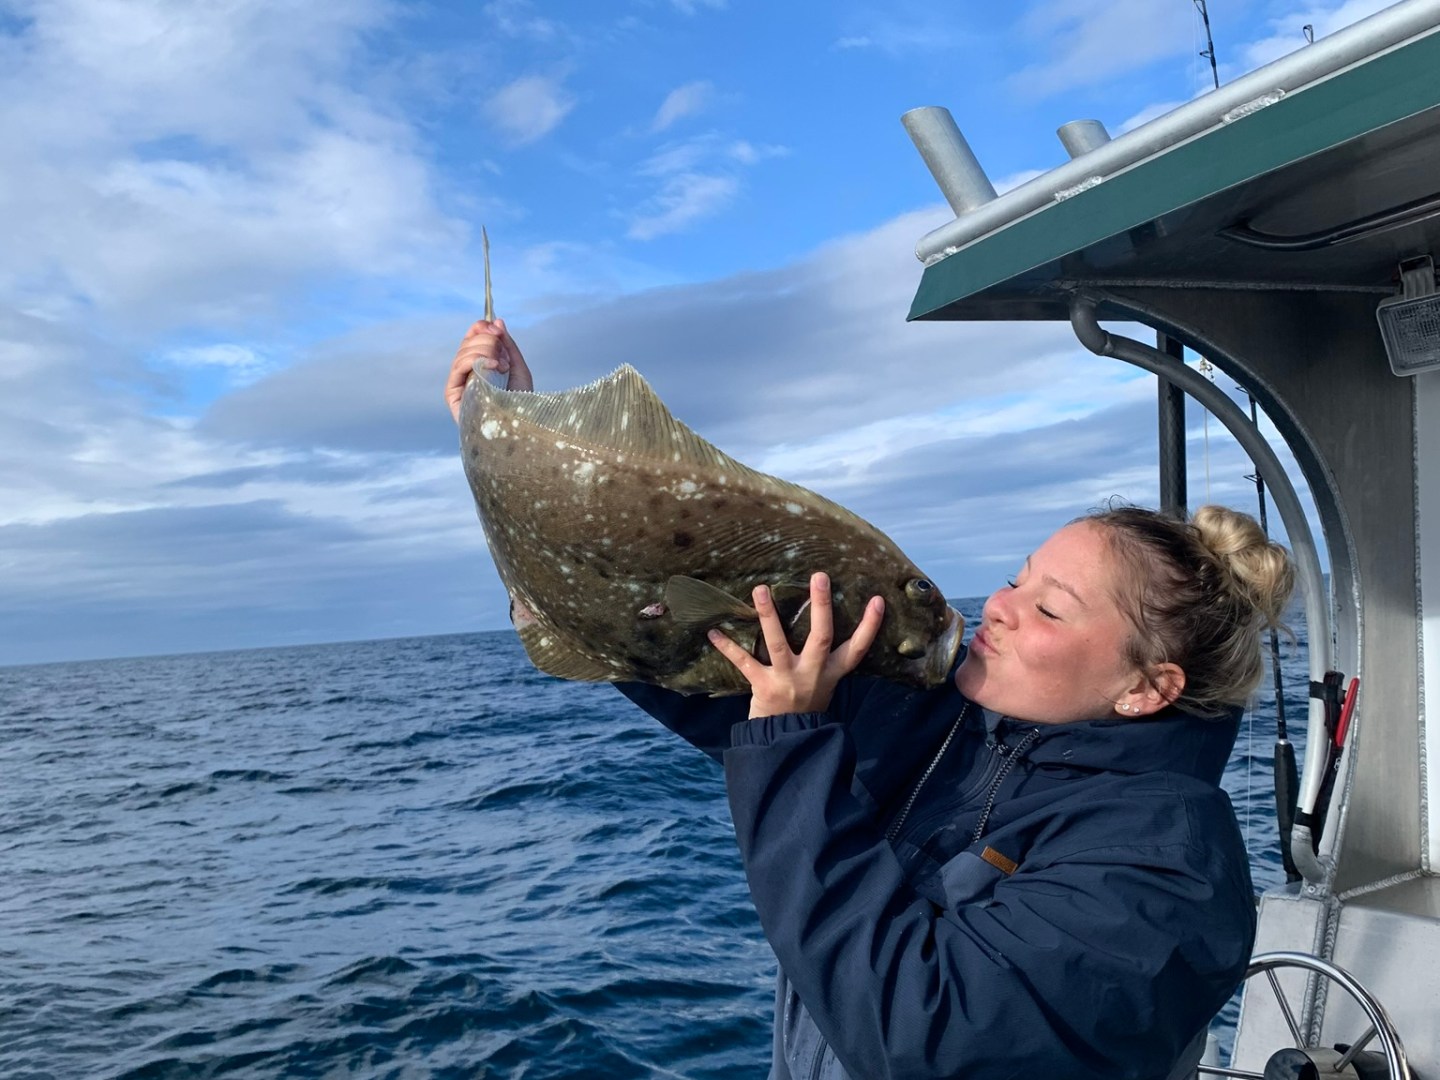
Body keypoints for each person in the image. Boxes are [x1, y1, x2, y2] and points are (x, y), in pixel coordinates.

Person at [445, 321, 1296, 1080]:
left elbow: (929, 1037)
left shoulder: (1168, 866)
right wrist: (510, 437)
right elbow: (703, 663)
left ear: (1148, 688)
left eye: (1045, 608)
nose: (996, 605)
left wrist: (788, 741)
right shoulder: (952, 730)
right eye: (1015, 577)